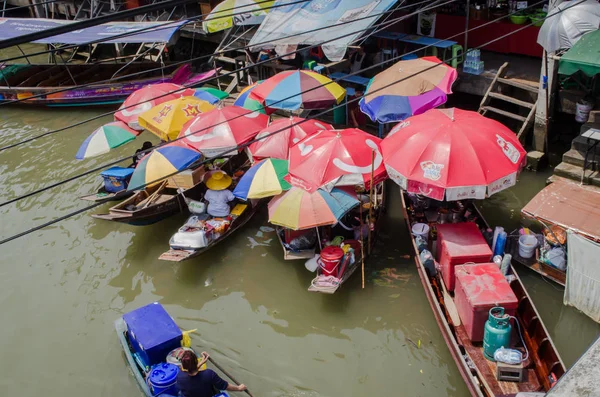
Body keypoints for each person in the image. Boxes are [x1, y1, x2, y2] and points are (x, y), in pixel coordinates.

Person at [177, 351, 247, 397]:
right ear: (196, 361)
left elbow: (190, 373)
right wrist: (239, 388)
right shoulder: (208, 374)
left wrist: (201, 363)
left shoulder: (180, 376)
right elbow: (224, 386)